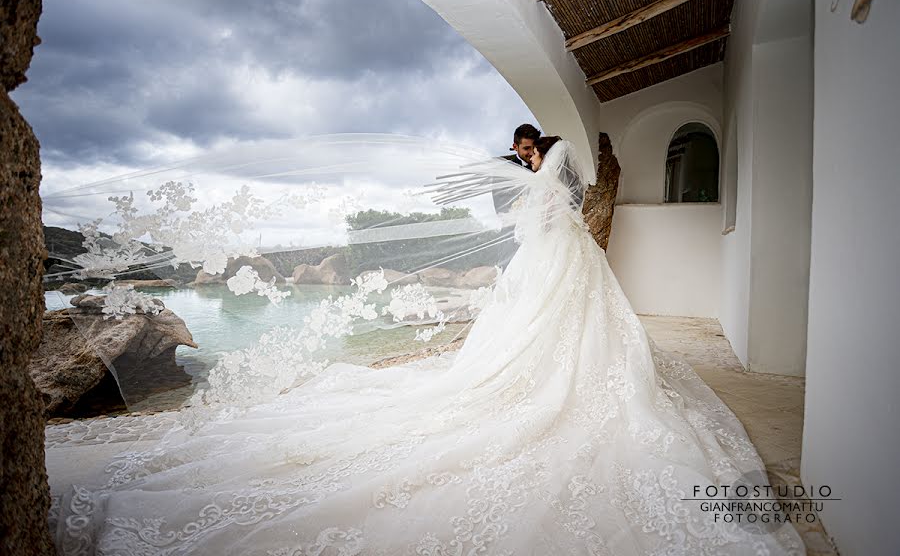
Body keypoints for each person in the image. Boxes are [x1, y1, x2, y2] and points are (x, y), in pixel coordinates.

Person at [49, 138, 805, 555]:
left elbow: (556, 205)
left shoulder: (559, 170)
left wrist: (548, 206)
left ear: (540, 151)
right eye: (521, 155)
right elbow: (544, 220)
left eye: (527, 151)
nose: (527, 161)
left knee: (578, 345)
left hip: (562, 269)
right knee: (531, 347)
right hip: (552, 271)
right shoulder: (538, 194)